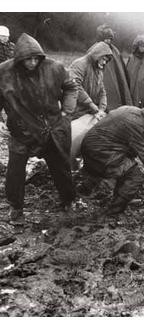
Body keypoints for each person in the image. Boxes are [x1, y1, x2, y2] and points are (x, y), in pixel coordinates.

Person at [0, 33, 78, 223]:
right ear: (19, 58)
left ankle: (68, 200)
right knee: (15, 171)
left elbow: (71, 87)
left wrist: (67, 112)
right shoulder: (4, 72)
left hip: (51, 126)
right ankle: (16, 207)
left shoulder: (54, 68)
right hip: (21, 129)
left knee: (61, 166)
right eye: (28, 59)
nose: (33, 62)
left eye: (36, 58)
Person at [80, 100, 144, 215]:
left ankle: (87, 187)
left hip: (92, 148)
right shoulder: (139, 125)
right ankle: (114, 211)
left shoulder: (132, 110)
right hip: (99, 153)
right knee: (136, 176)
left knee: (129, 161)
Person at [69, 41, 113, 120]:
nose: (104, 62)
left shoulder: (99, 70)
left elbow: (102, 91)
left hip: (90, 111)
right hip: (76, 111)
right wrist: (90, 104)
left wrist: (101, 109)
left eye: (106, 60)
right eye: (103, 59)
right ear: (97, 55)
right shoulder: (80, 64)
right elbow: (75, 86)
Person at [93, 24, 133, 111]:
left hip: (115, 80)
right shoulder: (94, 49)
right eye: (106, 38)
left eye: (110, 39)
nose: (108, 41)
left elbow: (120, 69)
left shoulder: (114, 50)